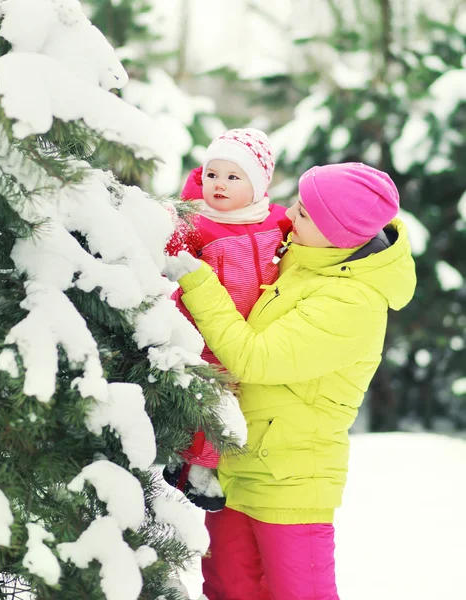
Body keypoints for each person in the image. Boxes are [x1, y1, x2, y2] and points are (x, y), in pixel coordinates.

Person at [164, 162, 417, 599]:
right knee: (228, 590)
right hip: (239, 464)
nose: (289, 217)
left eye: (303, 212)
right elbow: (242, 223)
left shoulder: (351, 301)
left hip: (290, 480)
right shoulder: (307, 257)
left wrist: (198, 282)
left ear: (336, 232)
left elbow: (253, 359)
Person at [164, 128, 291, 512]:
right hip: (201, 327)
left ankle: (206, 463)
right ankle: (194, 468)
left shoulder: (277, 220)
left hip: (251, 330)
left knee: (235, 398)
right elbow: (169, 252)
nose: (219, 185)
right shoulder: (200, 222)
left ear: (258, 184)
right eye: (212, 174)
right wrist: (187, 204)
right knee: (208, 396)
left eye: (233, 177)